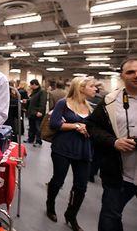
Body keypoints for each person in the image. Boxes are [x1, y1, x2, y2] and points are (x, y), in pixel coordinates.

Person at [86, 56, 137, 231]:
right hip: (119, 174)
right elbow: (92, 126)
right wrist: (113, 142)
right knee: (110, 217)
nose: (136, 75)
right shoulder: (110, 101)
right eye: (130, 72)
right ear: (122, 76)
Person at [45, 76, 97, 231]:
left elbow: (95, 128)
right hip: (63, 149)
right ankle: (50, 204)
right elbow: (54, 124)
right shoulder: (64, 103)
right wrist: (75, 126)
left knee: (81, 187)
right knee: (58, 180)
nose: (95, 89)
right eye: (92, 86)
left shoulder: (91, 108)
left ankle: (71, 214)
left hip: (83, 151)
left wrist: (89, 129)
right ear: (81, 88)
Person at [24, 79, 47, 146]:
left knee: (38, 128)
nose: (30, 86)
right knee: (31, 127)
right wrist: (27, 101)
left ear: (34, 84)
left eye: (31, 85)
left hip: (37, 113)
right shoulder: (34, 91)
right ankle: (30, 139)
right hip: (32, 113)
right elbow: (33, 100)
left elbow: (43, 102)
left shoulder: (42, 92)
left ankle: (38, 141)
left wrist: (40, 111)